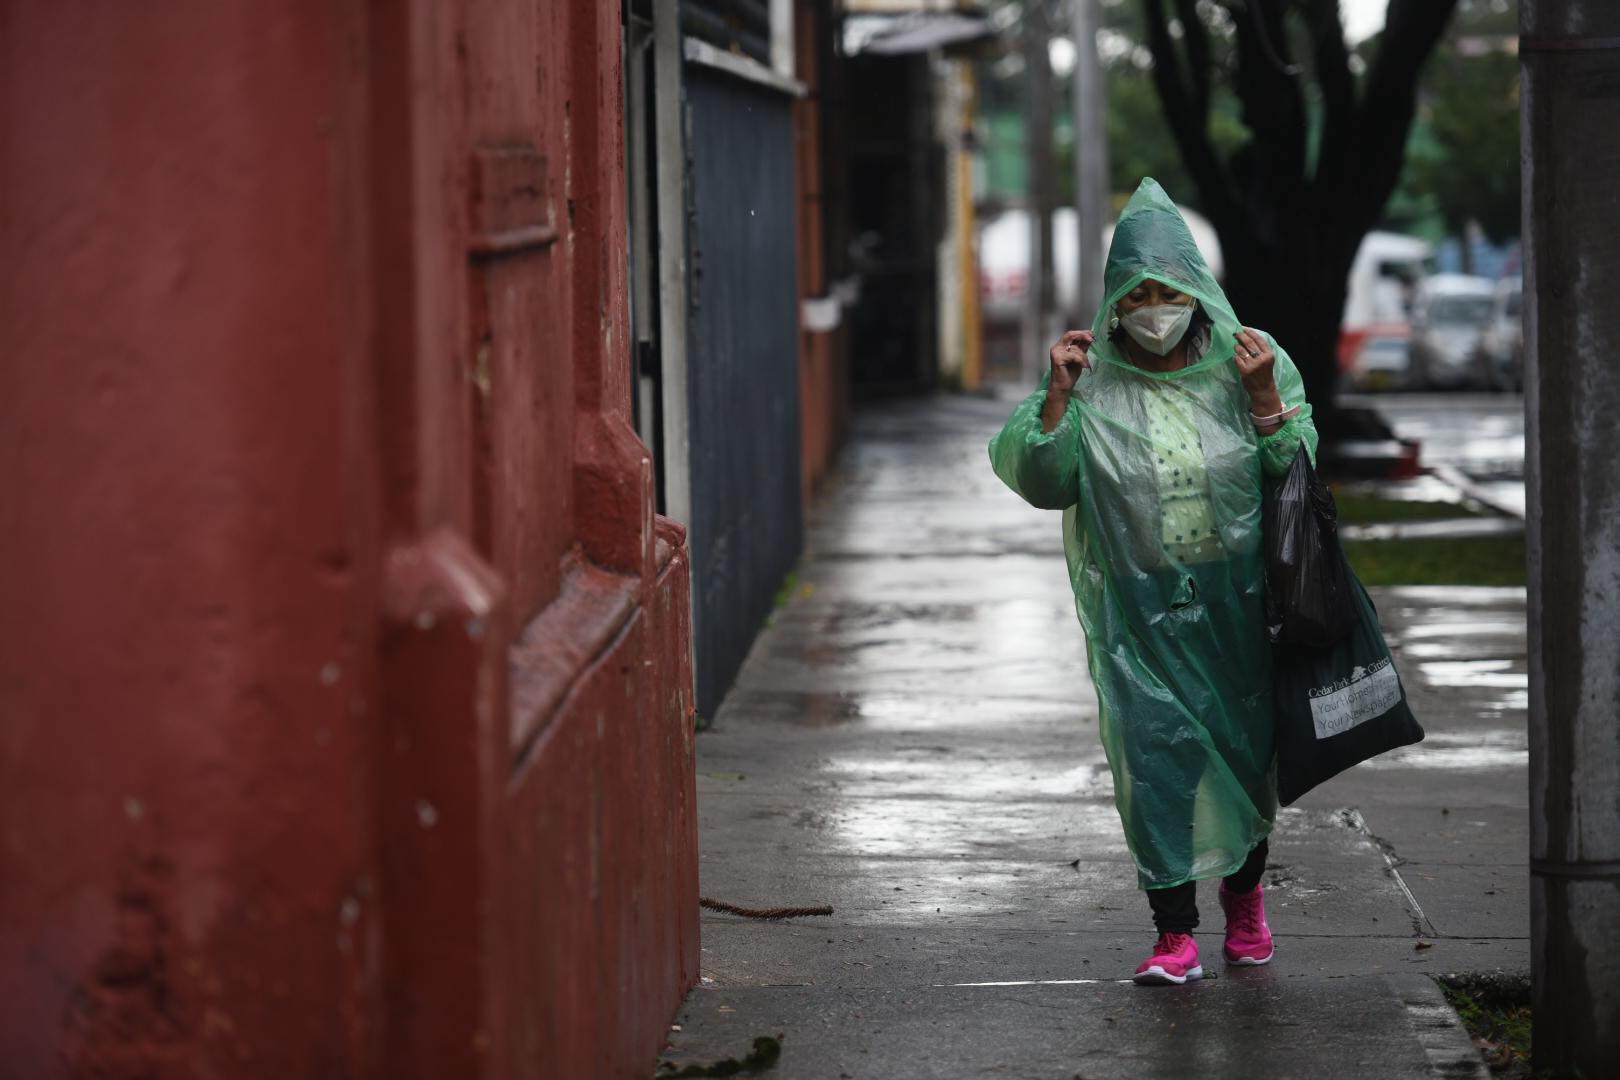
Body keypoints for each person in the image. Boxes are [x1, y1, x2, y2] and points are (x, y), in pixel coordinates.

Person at [988, 178, 1318, 986]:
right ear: (1114, 300)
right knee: (1156, 763)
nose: (1155, 305)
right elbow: (1044, 478)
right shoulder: (1093, 380)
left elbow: (1295, 467)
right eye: (1139, 292)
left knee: (1245, 761)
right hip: (1139, 612)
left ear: (1199, 293)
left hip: (1239, 604)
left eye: (1170, 289)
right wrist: (1059, 396)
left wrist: (1267, 400)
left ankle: (1245, 909)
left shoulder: (1249, 363)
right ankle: (1174, 935)